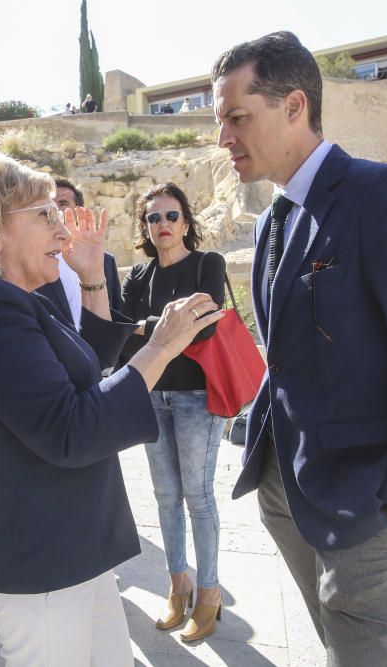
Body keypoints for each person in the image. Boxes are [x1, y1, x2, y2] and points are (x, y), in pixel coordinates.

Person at [212, 32, 387, 666]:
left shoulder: (384, 194)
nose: (223, 138)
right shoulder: (271, 222)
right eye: (220, 121)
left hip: (369, 505)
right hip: (286, 491)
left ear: (293, 106)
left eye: (237, 118)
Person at [0, 151, 223, 666]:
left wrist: (92, 279)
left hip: (72, 542)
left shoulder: (19, 295)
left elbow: (87, 367)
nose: (62, 231)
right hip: (40, 553)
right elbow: (70, 429)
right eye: (45, 215)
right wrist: (161, 347)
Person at [117, 182, 228, 642]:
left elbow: (203, 330)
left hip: (196, 398)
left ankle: (208, 592)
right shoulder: (137, 278)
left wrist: (149, 329)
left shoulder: (208, 264)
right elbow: (123, 336)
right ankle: (177, 584)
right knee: (165, 498)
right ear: (145, 227)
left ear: (186, 221)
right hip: (152, 397)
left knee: (198, 497)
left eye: (171, 215)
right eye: (153, 218)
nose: (162, 225)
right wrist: (165, 325)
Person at [35, 178, 122, 327]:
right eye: (50, 205)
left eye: (63, 203)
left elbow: (117, 317)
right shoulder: (35, 261)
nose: (55, 210)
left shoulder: (105, 260)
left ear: (79, 211)